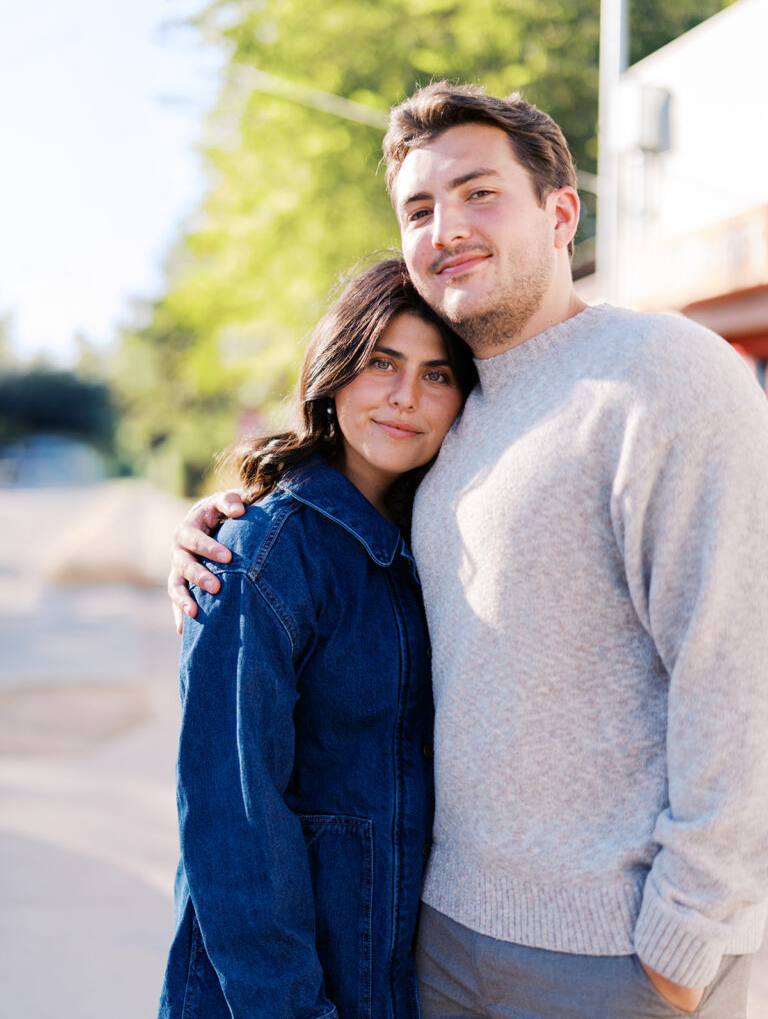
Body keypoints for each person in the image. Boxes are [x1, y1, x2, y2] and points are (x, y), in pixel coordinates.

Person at [168, 83, 768, 1018]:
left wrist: (686, 939)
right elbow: (343, 544)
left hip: (611, 960)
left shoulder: (662, 372)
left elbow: (740, 663)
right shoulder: (455, 422)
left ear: (562, 211)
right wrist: (232, 520)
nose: (446, 224)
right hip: (430, 945)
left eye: (479, 192)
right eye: (419, 207)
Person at [158, 255, 477, 1019]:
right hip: (274, 999)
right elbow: (231, 823)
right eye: (382, 364)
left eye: (438, 375)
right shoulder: (257, 557)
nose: (407, 398)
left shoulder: (433, 541)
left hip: (391, 981)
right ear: (334, 372)